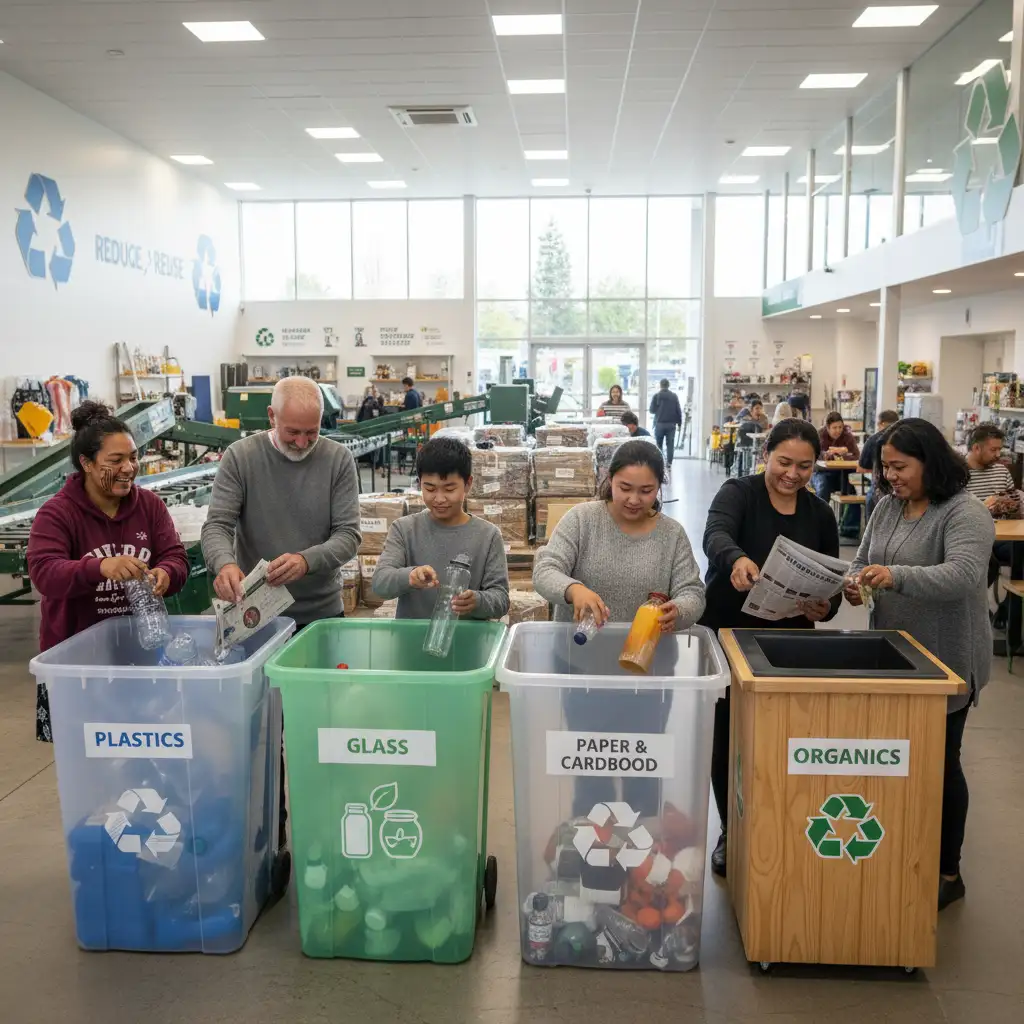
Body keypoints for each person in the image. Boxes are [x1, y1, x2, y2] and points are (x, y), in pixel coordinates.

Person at [844, 418, 993, 911]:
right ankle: (905, 850)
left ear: (930, 461)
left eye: (900, 467)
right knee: (901, 763)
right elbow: (861, 557)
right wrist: (854, 579)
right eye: (885, 468)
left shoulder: (964, 511)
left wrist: (893, 576)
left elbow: (964, 574)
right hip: (891, 656)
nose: (890, 477)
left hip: (946, 659)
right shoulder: (888, 506)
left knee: (942, 764)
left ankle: (949, 871)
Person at [700, 420, 840, 877]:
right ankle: (729, 831)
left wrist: (827, 605)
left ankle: (780, 823)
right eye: (784, 462)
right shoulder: (738, 493)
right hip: (730, 633)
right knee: (730, 737)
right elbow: (716, 534)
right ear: (766, 454)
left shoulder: (820, 514)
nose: (793, 474)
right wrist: (735, 559)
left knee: (784, 739)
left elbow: (833, 583)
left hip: (789, 641)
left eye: (805, 466)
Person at [534, 440, 705, 815]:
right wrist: (573, 589)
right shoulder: (582, 520)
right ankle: (591, 857)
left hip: (649, 676)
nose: (634, 499)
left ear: (660, 487)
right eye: (625, 488)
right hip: (583, 673)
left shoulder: (671, 534)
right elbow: (545, 569)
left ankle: (644, 865)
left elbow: (692, 590)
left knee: (643, 765)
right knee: (590, 765)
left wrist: (681, 611)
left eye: (646, 491)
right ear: (608, 480)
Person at [26, 401, 190, 742]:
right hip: (78, 665)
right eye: (115, 461)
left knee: (145, 751)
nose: (129, 468)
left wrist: (167, 574)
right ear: (86, 464)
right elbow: (45, 573)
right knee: (87, 761)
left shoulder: (149, 506)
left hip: (141, 657)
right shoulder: (57, 514)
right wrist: (99, 566)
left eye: (133, 457)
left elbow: (176, 557)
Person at [202, 376, 362, 624]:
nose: (301, 442)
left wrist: (306, 561)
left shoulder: (338, 459)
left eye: (312, 432)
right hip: (254, 615)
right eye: (293, 432)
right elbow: (217, 526)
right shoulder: (240, 457)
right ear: (271, 416)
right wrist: (225, 564)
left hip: (320, 614)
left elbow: (348, 536)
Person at [372, 436, 510, 620]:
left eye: (449, 489)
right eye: (430, 489)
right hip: (412, 639)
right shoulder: (404, 530)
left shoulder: (488, 536)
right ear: (419, 483)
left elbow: (501, 599)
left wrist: (477, 601)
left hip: (468, 640)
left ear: (468, 484)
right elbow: (380, 583)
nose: (439, 498)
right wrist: (410, 576)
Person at [813, 412, 862, 539]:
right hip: (822, 473)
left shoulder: (847, 436)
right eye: (834, 428)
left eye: (840, 427)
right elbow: (817, 456)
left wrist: (839, 453)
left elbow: (856, 456)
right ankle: (818, 526)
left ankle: (849, 528)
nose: (838, 430)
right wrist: (835, 453)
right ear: (827, 427)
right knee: (823, 488)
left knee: (853, 493)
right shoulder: (819, 435)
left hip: (843, 474)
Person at [858, 409, 900, 519]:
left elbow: (861, 468)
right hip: (904, 489)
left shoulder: (874, 440)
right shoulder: (906, 439)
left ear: (881, 423)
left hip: (881, 489)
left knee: (872, 496)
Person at [649, 379, 683, 468]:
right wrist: (679, 423)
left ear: (660, 385)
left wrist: (658, 409)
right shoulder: (674, 396)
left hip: (659, 423)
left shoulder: (656, 396)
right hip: (671, 424)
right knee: (670, 445)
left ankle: (661, 462)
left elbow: (651, 410)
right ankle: (669, 463)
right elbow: (678, 410)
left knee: (659, 444)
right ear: (668, 385)